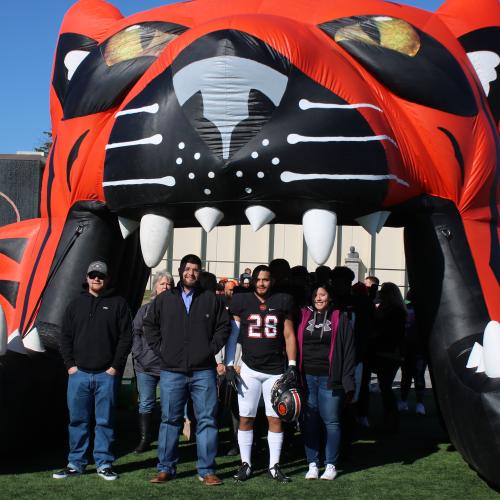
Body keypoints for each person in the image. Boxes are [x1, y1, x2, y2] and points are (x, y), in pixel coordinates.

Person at [144, 254, 230, 486]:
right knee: (170, 420)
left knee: (207, 421)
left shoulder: (211, 299)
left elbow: (224, 326)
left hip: (203, 370)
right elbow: (149, 325)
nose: (191, 273)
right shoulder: (165, 299)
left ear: (200, 273)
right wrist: (162, 349)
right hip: (172, 370)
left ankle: (207, 469)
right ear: (180, 270)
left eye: (195, 269)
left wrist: (210, 348)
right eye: (187, 269)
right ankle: (165, 468)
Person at [54, 261, 132, 480]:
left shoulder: (118, 304)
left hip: (105, 376)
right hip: (78, 376)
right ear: (87, 278)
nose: (97, 278)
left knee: (105, 421)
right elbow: (64, 337)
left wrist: (115, 367)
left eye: (101, 275)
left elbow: (126, 338)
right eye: (93, 275)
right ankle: (75, 463)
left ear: (107, 279)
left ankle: (104, 464)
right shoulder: (75, 304)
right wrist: (70, 366)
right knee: (77, 421)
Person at [225, 265, 298, 483]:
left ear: (271, 281)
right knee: (246, 418)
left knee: (275, 419)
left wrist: (292, 364)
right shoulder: (242, 301)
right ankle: (246, 464)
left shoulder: (282, 301)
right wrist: (230, 363)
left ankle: (273, 466)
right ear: (252, 280)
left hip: (275, 371)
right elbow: (233, 336)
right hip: (249, 368)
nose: (262, 283)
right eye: (258, 279)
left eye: (266, 279)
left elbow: (289, 335)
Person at [297, 284, 356, 480]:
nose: (318, 298)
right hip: (306, 377)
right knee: (310, 421)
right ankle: (313, 463)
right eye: (315, 295)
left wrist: (348, 379)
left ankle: (331, 464)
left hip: (331, 378)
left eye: (322, 295)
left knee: (331, 421)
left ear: (330, 297)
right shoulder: (303, 315)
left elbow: (349, 349)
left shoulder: (340, 317)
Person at [131, 271, 173, 453]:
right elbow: (135, 332)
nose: (166, 287)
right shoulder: (145, 309)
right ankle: (145, 438)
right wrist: (139, 353)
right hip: (145, 366)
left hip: (168, 367)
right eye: (162, 284)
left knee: (168, 404)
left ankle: (166, 440)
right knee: (146, 402)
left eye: (169, 284)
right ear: (155, 286)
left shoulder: (177, 308)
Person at [372, 282, 407, 432]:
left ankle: (391, 417)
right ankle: (389, 416)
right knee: (384, 385)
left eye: (384, 292)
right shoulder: (392, 309)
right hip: (386, 351)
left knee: (385, 386)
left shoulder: (395, 311)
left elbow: (393, 332)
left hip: (389, 351)